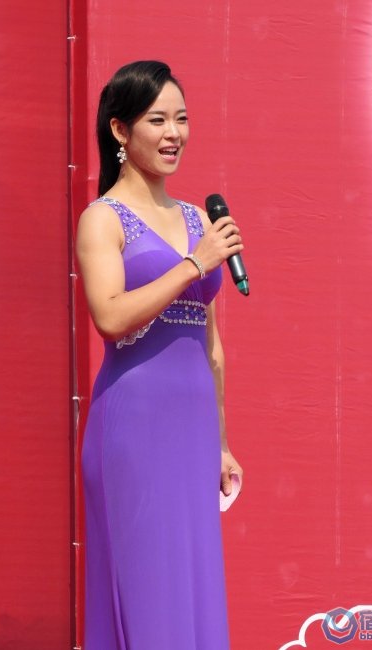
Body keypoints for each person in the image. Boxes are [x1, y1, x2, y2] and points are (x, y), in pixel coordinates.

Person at [76, 60, 244, 650]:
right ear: (120, 130)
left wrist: (221, 443)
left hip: (192, 432)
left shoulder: (198, 218)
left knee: (191, 588)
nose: (174, 133)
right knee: (146, 592)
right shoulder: (102, 219)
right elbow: (110, 317)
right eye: (157, 120)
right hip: (134, 427)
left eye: (182, 119)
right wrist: (195, 264)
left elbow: (212, 347)